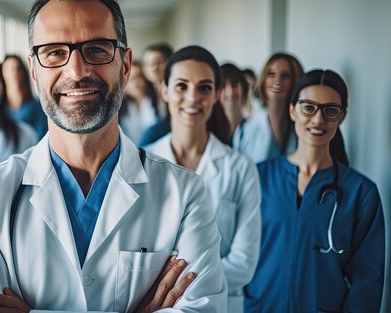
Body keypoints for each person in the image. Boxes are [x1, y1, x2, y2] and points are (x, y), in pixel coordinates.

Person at [0, 0, 227, 312]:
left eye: (96, 49)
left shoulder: (185, 194)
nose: (77, 71)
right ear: (33, 70)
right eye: (54, 52)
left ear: (125, 65)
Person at [244, 70, 385, 312]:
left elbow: (368, 279)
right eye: (308, 107)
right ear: (292, 110)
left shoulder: (361, 192)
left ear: (341, 117)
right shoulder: (258, 178)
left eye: (330, 110)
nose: (318, 119)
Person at [145, 46, 261, 313]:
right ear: (164, 90)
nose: (192, 97)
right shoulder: (143, 163)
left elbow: (244, 264)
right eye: (181, 86)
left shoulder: (241, 168)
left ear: (218, 94)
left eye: (205, 88)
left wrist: (173, 287)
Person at [233, 53, 303, 163]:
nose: (277, 81)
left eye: (285, 76)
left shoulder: (304, 127)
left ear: (295, 81)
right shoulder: (244, 130)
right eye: (271, 74)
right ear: (263, 80)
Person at [3, 54, 48, 139]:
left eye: (18, 69)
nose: (14, 73)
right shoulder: (0, 109)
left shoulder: (37, 107)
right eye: (10, 69)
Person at [119, 61, 159, 144]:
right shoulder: (123, 106)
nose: (136, 83)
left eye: (138, 77)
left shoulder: (157, 101)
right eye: (131, 79)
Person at [220, 63, 250, 140]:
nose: (230, 93)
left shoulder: (252, 129)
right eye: (223, 86)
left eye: (234, 85)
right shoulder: (209, 133)